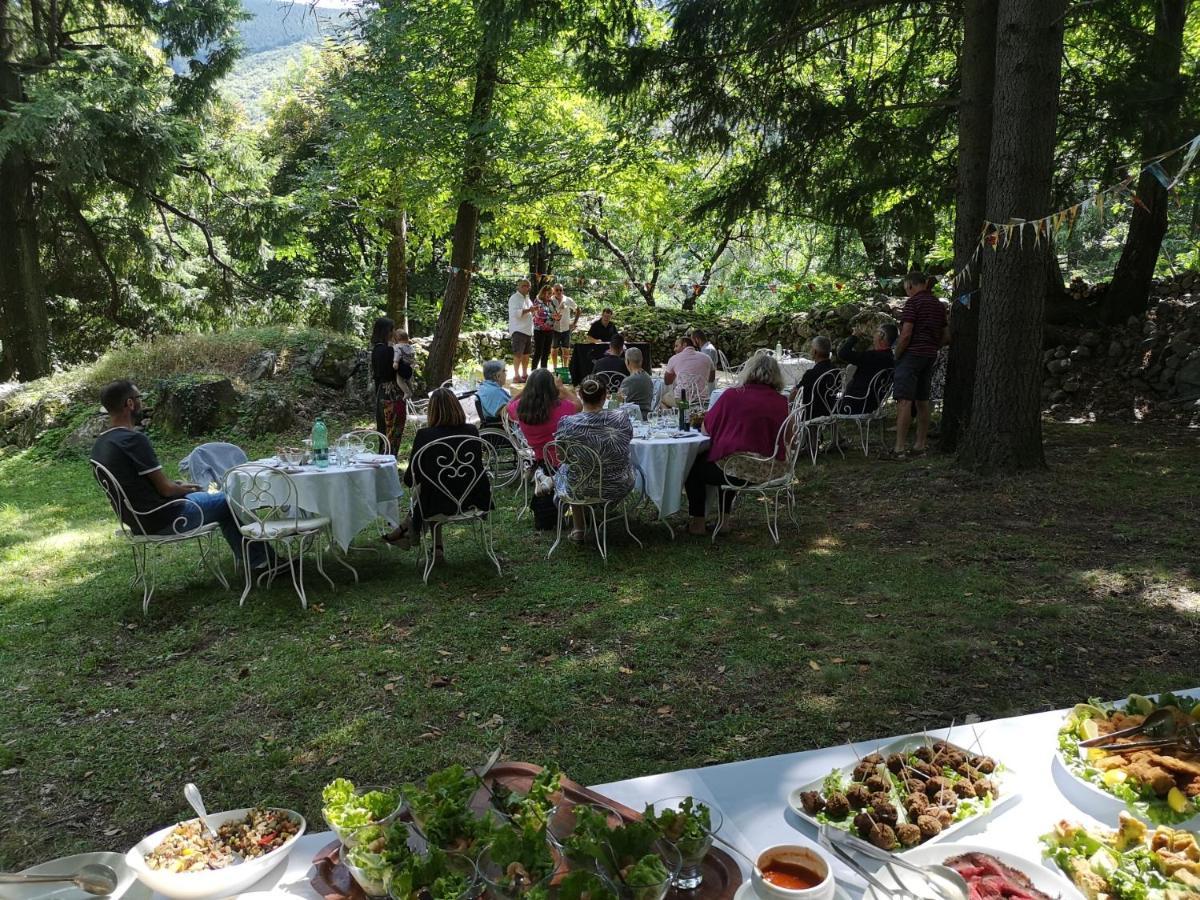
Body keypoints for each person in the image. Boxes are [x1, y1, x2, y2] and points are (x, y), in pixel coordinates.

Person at [90, 380, 271, 569]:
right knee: (229, 500)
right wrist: (179, 489)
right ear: (130, 403)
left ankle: (254, 559)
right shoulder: (133, 440)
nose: (142, 403)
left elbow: (137, 485)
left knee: (213, 498)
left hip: (138, 522)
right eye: (139, 398)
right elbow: (167, 490)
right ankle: (264, 562)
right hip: (166, 518)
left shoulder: (101, 444)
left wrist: (178, 487)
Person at [684, 355, 790, 536]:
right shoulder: (782, 401)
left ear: (748, 371)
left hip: (739, 470)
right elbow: (789, 438)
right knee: (729, 460)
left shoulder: (733, 395)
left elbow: (705, 430)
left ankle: (698, 524)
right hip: (773, 469)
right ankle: (723, 521)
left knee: (695, 467)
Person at [384, 389, 491, 558]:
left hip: (436, 503)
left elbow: (410, 480)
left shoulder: (425, 436)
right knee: (433, 487)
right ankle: (432, 545)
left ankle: (407, 529)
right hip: (473, 498)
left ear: (431, 411)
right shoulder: (471, 431)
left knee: (427, 489)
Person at [551, 377, 635, 542]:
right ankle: (602, 512)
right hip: (618, 484)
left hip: (581, 488)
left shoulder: (568, 423)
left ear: (580, 395)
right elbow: (627, 441)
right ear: (605, 396)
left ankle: (579, 528)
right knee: (577, 471)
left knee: (570, 470)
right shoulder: (621, 418)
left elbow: (561, 456)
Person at [891, 270, 949, 457]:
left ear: (910, 285)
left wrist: (898, 353)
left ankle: (899, 447)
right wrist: (933, 346)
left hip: (911, 355)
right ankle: (920, 444)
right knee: (923, 400)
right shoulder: (938, 305)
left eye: (906, 288)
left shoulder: (913, 303)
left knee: (905, 401)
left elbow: (906, 333)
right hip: (929, 355)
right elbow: (946, 335)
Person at [506, 368, 580, 465]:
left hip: (539, 458)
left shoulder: (520, 407)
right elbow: (579, 405)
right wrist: (562, 388)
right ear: (552, 387)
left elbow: (508, 405)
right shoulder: (560, 406)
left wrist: (524, 390)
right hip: (563, 460)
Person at [837, 324, 897, 414]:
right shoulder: (891, 359)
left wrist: (854, 337)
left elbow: (843, 353)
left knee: (822, 402)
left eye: (876, 332)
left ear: (881, 335)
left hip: (854, 403)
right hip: (873, 404)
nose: (873, 335)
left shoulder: (873, 357)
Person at [372, 316, 412, 453]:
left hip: (380, 395)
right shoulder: (391, 351)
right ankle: (390, 462)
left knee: (383, 432)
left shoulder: (375, 351)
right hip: (394, 397)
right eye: (392, 330)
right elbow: (406, 372)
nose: (393, 332)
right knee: (394, 434)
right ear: (387, 332)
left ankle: (382, 461)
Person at [789, 336, 836, 419]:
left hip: (812, 414)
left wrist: (789, 403)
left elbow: (795, 393)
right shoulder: (836, 370)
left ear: (815, 352)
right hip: (831, 410)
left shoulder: (812, 374)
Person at [662, 334, 715, 406]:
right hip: (702, 400)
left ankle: (675, 416)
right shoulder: (707, 358)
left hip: (681, 400)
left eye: (676, 346)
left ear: (684, 345)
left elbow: (667, 382)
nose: (674, 349)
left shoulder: (674, 359)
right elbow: (711, 379)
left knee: (663, 399)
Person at [508, 278, 534, 383]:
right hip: (518, 330)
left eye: (528, 286)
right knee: (518, 354)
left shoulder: (527, 298)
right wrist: (530, 310)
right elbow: (516, 314)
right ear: (518, 287)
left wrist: (535, 310)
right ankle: (516, 375)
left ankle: (524, 374)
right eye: (523, 285)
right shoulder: (514, 298)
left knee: (526, 354)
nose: (526, 288)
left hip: (528, 330)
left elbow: (531, 312)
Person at [617, 347, 654, 419]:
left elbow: (618, 402)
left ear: (627, 361)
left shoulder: (629, 380)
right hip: (647, 415)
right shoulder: (647, 376)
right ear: (641, 360)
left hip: (633, 417)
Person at [551, 284, 579, 369]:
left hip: (566, 328)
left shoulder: (568, 300)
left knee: (566, 349)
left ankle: (566, 368)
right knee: (554, 349)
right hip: (554, 329)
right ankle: (555, 368)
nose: (559, 292)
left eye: (560, 290)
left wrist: (574, 323)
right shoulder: (550, 300)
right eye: (557, 290)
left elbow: (578, 310)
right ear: (553, 291)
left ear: (563, 290)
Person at [530, 284, 558, 371]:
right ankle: (533, 372)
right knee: (538, 352)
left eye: (551, 293)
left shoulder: (551, 302)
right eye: (549, 293)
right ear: (543, 292)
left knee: (546, 352)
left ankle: (543, 372)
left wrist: (557, 316)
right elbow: (540, 314)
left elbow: (555, 313)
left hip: (549, 330)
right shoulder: (538, 301)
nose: (550, 295)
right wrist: (553, 316)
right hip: (539, 330)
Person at [476, 359, 511, 425]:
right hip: (502, 425)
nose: (506, 374)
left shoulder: (485, 386)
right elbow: (507, 414)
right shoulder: (494, 392)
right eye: (504, 371)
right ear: (497, 376)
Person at [391, 327, 416, 399]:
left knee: (399, 380)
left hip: (402, 367)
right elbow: (412, 356)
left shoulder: (397, 347)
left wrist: (395, 362)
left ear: (396, 339)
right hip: (409, 367)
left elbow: (397, 354)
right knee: (409, 380)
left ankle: (407, 392)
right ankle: (411, 390)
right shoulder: (410, 347)